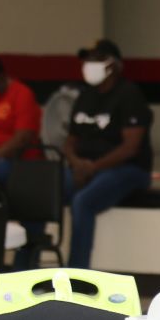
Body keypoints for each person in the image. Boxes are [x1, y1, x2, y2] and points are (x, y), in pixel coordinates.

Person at [63, 39, 153, 269]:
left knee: (83, 202)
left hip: (127, 169)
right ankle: (24, 267)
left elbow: (130, 147)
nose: (89, 64)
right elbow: (70, 140)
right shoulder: (85, 95)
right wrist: (76, 163)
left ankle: (76, 276)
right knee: (43, 190)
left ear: (112, 65)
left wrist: (92, 168)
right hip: (85, 166)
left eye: (96, 60)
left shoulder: (129, 94)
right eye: (88, 59)